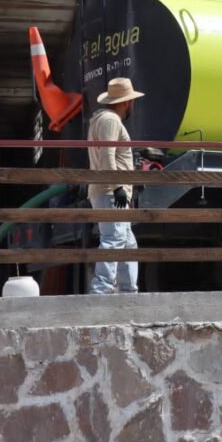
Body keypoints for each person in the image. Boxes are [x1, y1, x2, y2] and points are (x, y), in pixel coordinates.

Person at [87, 77, 144, 294]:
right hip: (111, 191)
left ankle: (129, 291)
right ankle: (101, 291)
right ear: (126, 102)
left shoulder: (99, 119)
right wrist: (119, 186)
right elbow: (108, 156)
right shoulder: (111, 120)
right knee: (113, 240)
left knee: (127, 243)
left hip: (105, 190)